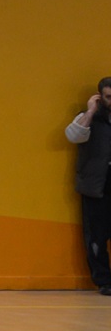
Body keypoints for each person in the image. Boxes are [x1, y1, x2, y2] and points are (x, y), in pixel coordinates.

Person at [65, 78, 111, 295]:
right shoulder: (88, 117)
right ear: (100, 97)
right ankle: (104, 281)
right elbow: (72, 136)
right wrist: (91, 111)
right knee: (96, 236)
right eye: (109, 97)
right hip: (96, 184)